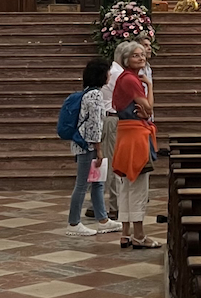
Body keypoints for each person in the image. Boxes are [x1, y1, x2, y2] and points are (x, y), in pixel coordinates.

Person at [111, 42, 159, 249]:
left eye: (142, 54)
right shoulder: (131, 79)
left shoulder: (124, 78)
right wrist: (150, 86)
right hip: (135, 135)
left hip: (126, 133)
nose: (141, 58)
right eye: (136, 55)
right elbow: (148, 108)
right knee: (138, 186)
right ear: (126, 59)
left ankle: (125, 233)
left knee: (126, 186)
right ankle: (139, 235)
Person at [66, 58, 122, 236]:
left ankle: (103, 219)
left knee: (98, 182)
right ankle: (74, 223)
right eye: (107, 72)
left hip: (85, 143)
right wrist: (99, 149)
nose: (109, 75)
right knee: (82, 184)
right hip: (87, 146)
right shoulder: (96, 95)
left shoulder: (88, 93)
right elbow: (95, 125)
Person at [88, 41, 130, 221]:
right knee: (112, 162)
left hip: (106, 119)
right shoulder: (118, 74)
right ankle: (114, 206)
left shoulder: (113, 71)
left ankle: (96, 204)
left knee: (105, 161)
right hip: (111, 118)